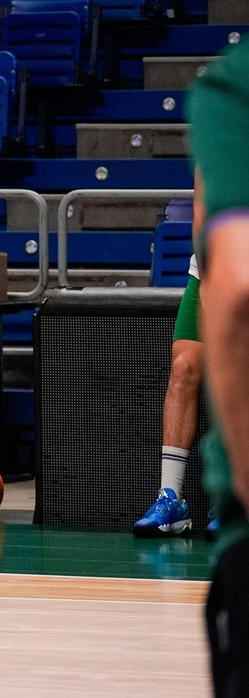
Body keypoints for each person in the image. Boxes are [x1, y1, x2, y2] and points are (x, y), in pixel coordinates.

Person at [186, 43, 249, 696]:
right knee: (183, 367)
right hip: (205, 266)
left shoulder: (234, 83)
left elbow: (236, 289)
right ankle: (172, 492)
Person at [134, 243, 211, 537]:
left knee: (235, 369)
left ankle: (235, 501)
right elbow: (203, 211)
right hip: (212, 270)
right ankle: (171, 499)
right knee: (182, 368)